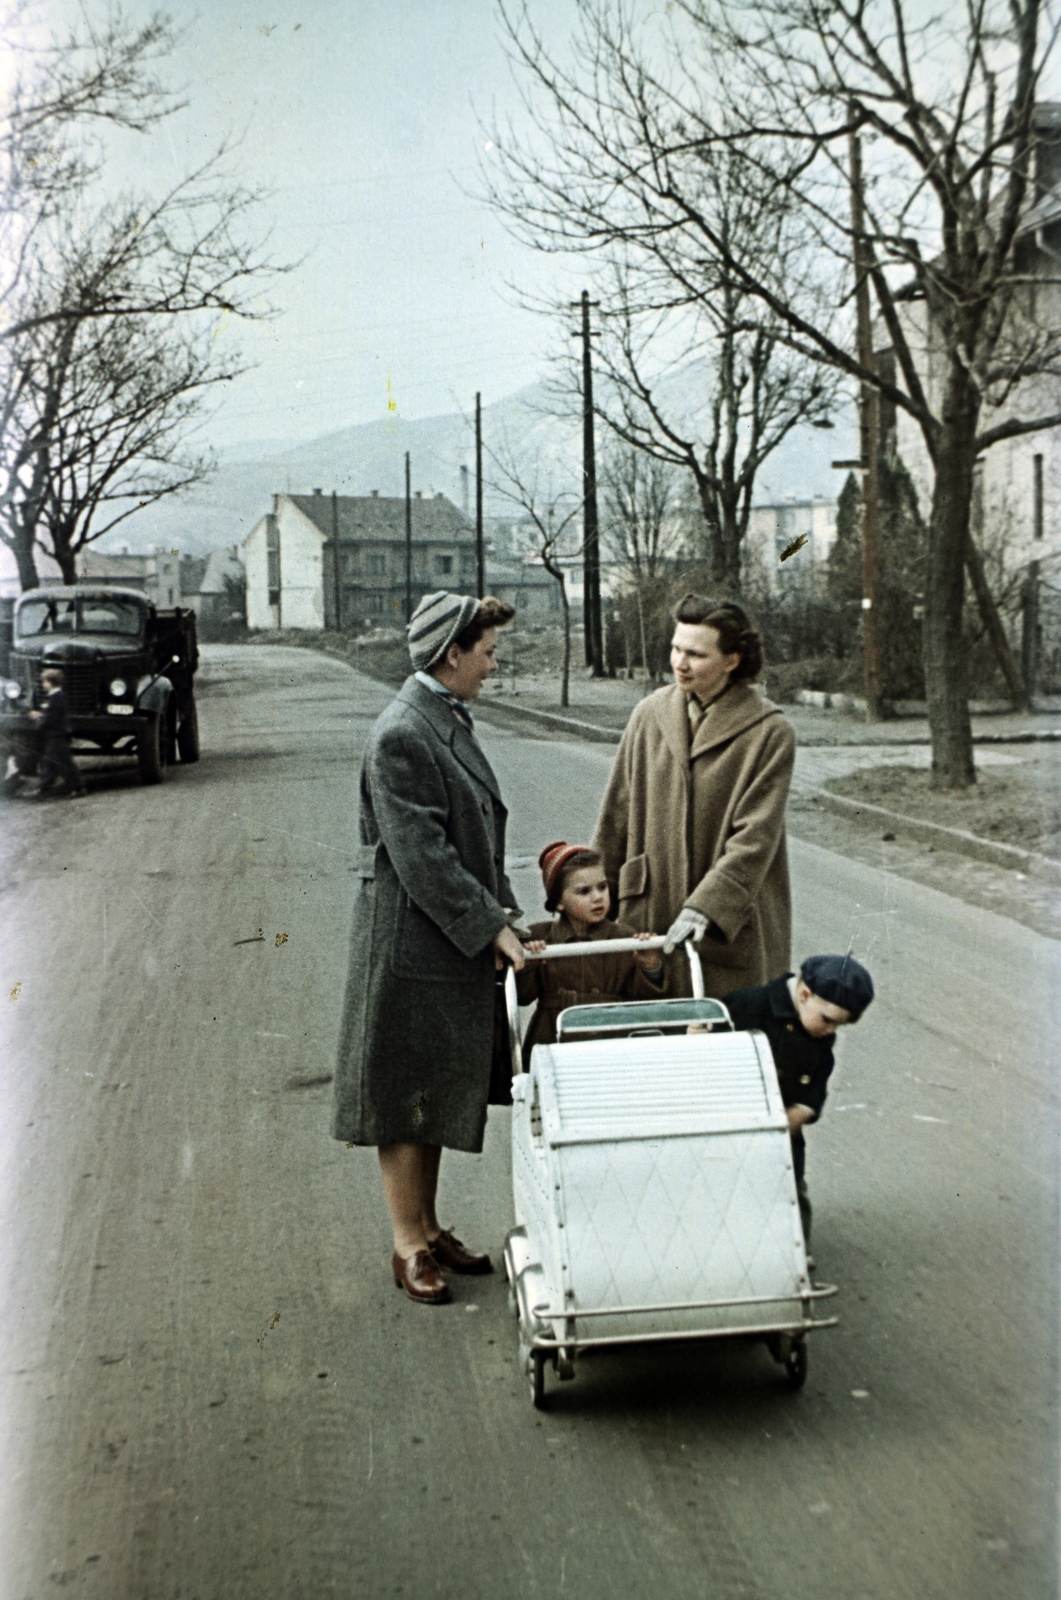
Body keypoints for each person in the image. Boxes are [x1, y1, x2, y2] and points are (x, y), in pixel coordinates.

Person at [331, 591, 527, 1306]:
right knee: (406, 1094)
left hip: (444, 940)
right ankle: (406, 1242)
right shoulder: (402, 734)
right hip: (412, 944)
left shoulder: (439, 718)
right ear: (451, 654)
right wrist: (489, 924)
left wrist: (503, 913)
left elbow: (476, 838)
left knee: (435, 1087)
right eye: (486, 651)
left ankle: (429, 1224)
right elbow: (424, 857)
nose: (492, 663)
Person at [593, 593, 794, 998]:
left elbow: (755, 837)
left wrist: (708, 905)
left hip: (725, 928)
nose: (679, 664)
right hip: (649, 910)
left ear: (732, 661)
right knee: (652, 1039)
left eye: (696, 655)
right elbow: (616, 814)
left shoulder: (769, 732)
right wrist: (590, 894)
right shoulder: (649, 713)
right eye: (675, 649)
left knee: (722, 1039)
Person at [723, 954, 875, 1257]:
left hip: (781, 1126)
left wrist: (804, 1110)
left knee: (791, 1187)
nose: (830, 1031)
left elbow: (818, 1081)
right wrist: (699, 1034)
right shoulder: (752, 1004)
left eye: (838, 1026)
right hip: (734, 1115)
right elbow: (713, 1032)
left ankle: (795, 1253)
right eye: (828, 1020)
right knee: (727, 1181)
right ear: (804, 995)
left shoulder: (819, 1038)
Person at [516, 841, 665, 1063]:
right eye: (584, 891)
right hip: (553, 1038)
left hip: (611, 1040)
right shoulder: (540, 937)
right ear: (558, 903)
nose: (597, 897)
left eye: (602, 887)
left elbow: (643, 1001)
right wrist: (528, 963)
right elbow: (522, 996)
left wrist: (650, 965)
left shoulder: (623, 938)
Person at [28, 668, 87, 798]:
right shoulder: (57, 696)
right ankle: (44, 789)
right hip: (57, 735)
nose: (43, 684)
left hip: (58, 735)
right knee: (48, 762)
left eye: (44, 681)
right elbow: (51, 715)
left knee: (64, 763)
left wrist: (38, 718)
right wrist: (42, 715)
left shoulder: (56, 697)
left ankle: (78, 788)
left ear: (50, 682)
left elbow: (51, 719)